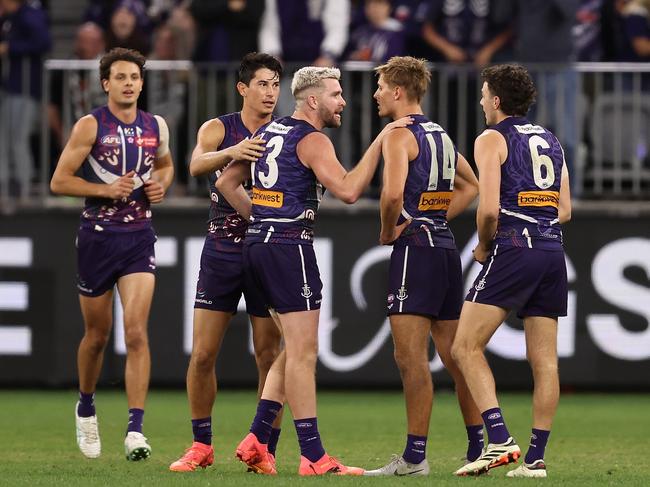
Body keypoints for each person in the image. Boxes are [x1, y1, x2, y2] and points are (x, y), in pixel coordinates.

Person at [216, 66, 411, 476]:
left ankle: (256, 437)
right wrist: (381, 141)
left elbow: (226, 185)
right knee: (304, 354)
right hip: (290, 249)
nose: (343, 102)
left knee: (290, 350)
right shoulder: (313, 139)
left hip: (256, 248)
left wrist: (263, 220)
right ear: (312, 100)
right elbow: (349, 190)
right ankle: (313, 457)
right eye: (336, 94)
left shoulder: (267, 133)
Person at [50, 47, 174, 461]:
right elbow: (59, 181)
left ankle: (135, 430)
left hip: (139, 235)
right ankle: (86, 407)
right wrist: (104, 190)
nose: (128, 84)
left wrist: (160, 185)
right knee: (97, 337)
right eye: (120, 77)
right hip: (97, 237)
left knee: (136, 332)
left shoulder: (155, 125)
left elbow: (166, 165)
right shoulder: (90, 125)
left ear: (141, 82)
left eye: (134, 77)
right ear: (106, 83)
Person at [363, 56, 482, 477]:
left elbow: (392, 196)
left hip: (415, 249)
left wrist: (387, 230)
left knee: (410, 356)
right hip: (446, 249)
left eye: (380, 87)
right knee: (455, 356)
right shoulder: (442, 135)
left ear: (398, 91)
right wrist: (438, 217)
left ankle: (414, 458)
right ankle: (477, 448)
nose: (375, 94)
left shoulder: (398, 135)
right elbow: (473, 185)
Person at [451, 63, 571, 478]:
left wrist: (484, 245)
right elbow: (565, 210)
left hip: (515, 247)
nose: (481, 101)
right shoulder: (551, 139)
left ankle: (499, 439)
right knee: (545, 362)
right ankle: (535, 459)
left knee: (464, 347)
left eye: (484, 94)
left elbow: (486, 208)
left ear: (497, 99)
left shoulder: (490, 138)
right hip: (553, 250)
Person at [168, 52, 284, 473]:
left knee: (269, 356)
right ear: (243, 88)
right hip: (222, 247)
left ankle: (263, 449)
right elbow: (196, 163)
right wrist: (233, 150)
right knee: (202, 354)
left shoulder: (284, 132)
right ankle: (201, 446)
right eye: (262, 84)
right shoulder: (220, 128)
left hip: (268, 248)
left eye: (275, 85)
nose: (270, 93)